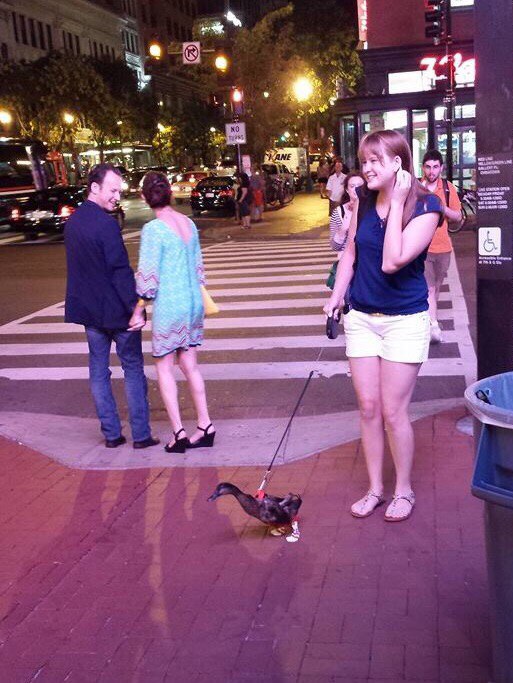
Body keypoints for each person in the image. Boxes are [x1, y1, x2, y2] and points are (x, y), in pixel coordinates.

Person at [324, 130, 443, 522]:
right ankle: (375, 488)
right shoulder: (362, 199)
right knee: (369, 407)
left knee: (393, 411)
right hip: (361, 318)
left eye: (376, 160)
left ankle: (403, 489)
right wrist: (338, 295)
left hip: (404, 322)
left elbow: (392, 260)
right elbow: (350, 253)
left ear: (398, 163)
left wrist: (395, 202)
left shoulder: (426, 206)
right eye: (365, 160)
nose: (367, 168)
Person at [64, 163, 159, 450]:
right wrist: (136, 307)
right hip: (118, 312)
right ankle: (141, 435)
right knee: (132, 369)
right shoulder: (106, 225)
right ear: (94, 187)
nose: (117, 196)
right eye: (113, 190)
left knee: (98, 371)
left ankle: (112, 434)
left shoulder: (73, 223)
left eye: (119, 191)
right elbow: (119, 271)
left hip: (90, 313)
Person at [130, 171, 215, 453]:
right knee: (190, 365)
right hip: (193, 302)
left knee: (164, 368)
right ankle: (205, 425)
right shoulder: (188, 223)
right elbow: (199, 268)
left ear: (144, 197)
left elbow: (148, 277)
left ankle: (178, 433)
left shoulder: (153, 229)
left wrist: (139, 308)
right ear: (169, 193)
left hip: (170, 305)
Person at [421, 149, 462, 344]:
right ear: (423, 167)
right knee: (429, 288)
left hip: (443, 248)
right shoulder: (417, 188)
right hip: (422, 248)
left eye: (435, 167)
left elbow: (458, 216)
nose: (431, 171)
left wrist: (441, 206)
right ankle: (433, 325)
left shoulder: (447, 188)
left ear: (441, 168)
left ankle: (430, 317)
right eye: (428, 167)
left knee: (435, 288)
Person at [329, 171, 365, 256]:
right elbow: (334, 247)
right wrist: (343, 229)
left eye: (360, 186)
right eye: (352, 186)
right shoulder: (339, 212)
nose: (356, 189)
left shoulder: (373, 209)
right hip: (347, 259)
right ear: (347, 190)